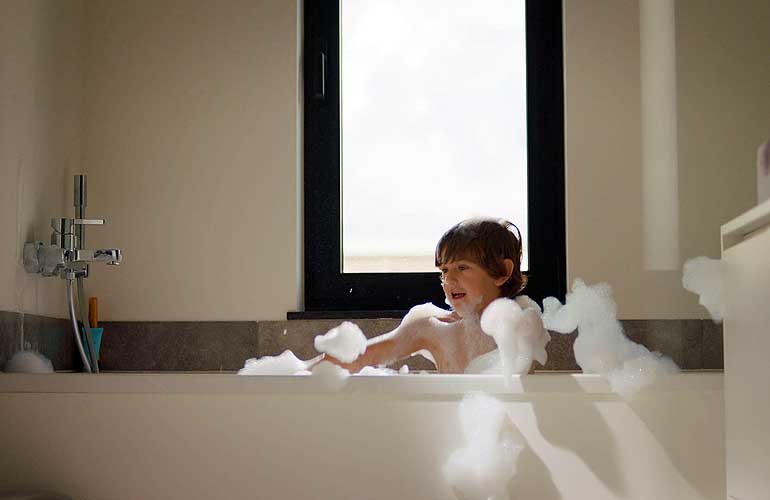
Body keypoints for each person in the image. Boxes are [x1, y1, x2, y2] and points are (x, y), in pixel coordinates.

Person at [320, 216, 528, 374]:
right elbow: (359, 357)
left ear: (502, 272)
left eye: (462, 267)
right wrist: (303, 373)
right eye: (444, 271)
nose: (449, 280)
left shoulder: (523, 326)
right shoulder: (434, 328)